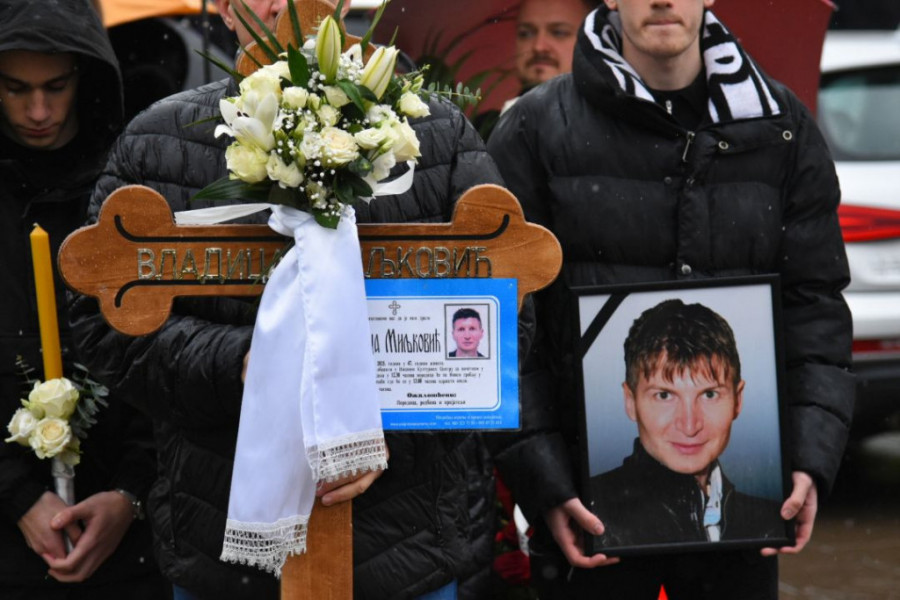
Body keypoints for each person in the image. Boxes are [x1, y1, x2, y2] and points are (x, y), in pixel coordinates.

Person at [67, 0, 504, 598]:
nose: (287, 4)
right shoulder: (157, 140)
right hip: (221, 554)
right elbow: (103, 318)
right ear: (224, 8)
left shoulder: (436, 134)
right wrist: (243, 364)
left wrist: (377, 434)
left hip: (402, 550)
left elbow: (499, 319)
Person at [487, 0, 854, 598]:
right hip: (585, 518)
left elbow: (815, 306)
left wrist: (811, 457)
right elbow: (503, 318)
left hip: (742, 539)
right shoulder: (535, 128)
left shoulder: (780, 125)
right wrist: (545, 483)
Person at [0, 0, 167, 598]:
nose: (38, 112)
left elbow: (165, 351)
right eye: (15, 88)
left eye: (56, 87)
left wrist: (131, 495)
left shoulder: (129, 189)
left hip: (132, 545)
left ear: (86, 77)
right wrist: (17, 494)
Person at [589, 299, 783, 548]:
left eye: (709, 394)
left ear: (738, 400)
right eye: (664, 395)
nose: (689, 426)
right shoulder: (590, 511)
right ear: (630, 402)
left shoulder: (769, 522)